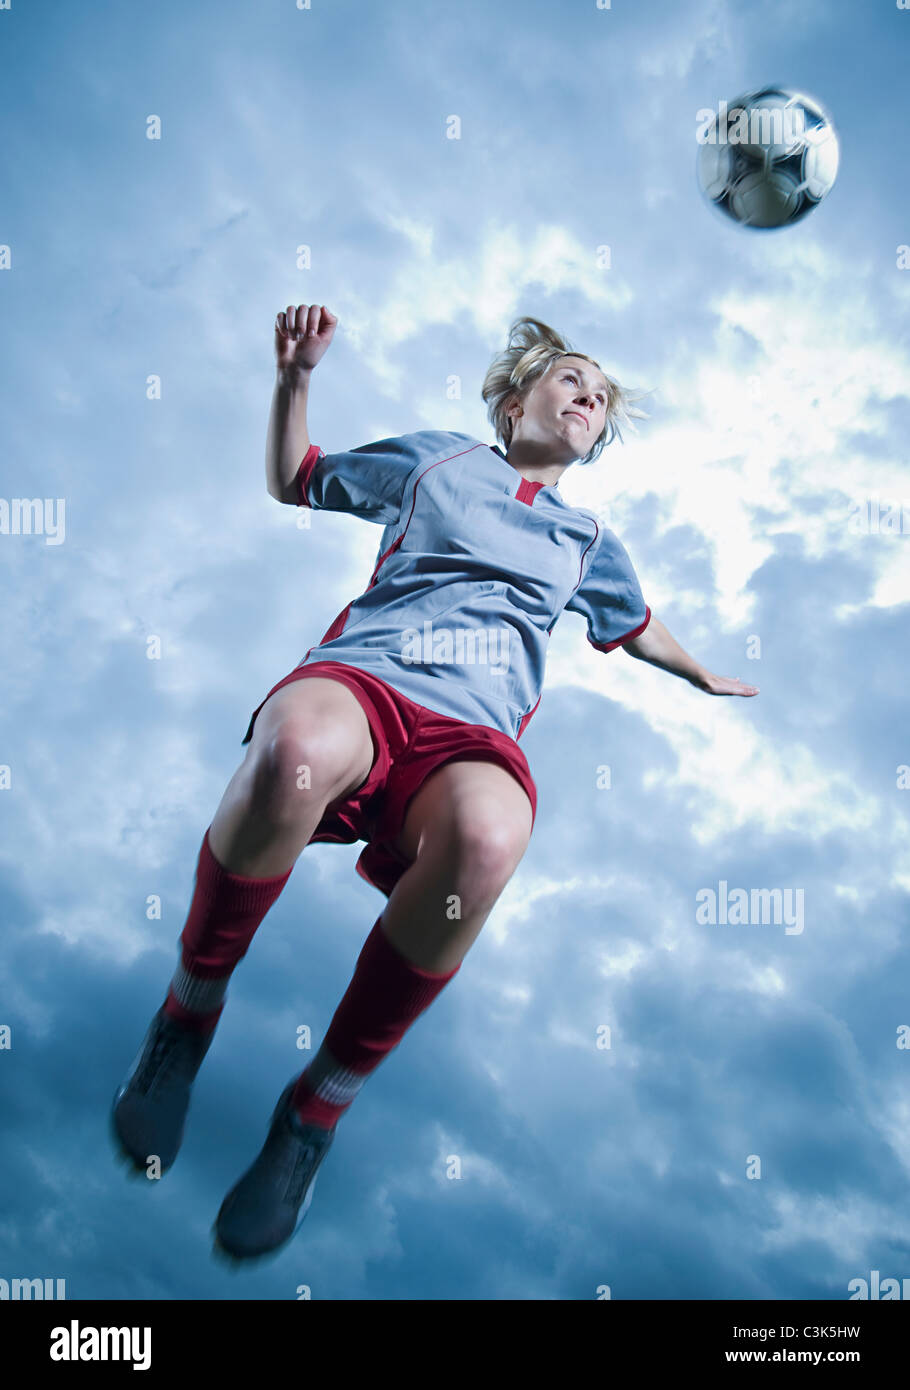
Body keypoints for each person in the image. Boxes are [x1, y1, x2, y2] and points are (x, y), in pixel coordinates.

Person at [111, 305, 758, 1261]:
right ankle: (187, 1014)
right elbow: (298, 480)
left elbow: (633, 623)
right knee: (292, 757)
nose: (588, 398)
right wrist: (293, 380)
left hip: (470, 734)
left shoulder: (585, 538)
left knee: (492, 844)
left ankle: (314, 1114)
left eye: (602, 399)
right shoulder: (438, 462)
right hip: (370, 682)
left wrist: (700, 669)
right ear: (511, 399)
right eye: (572, 378)